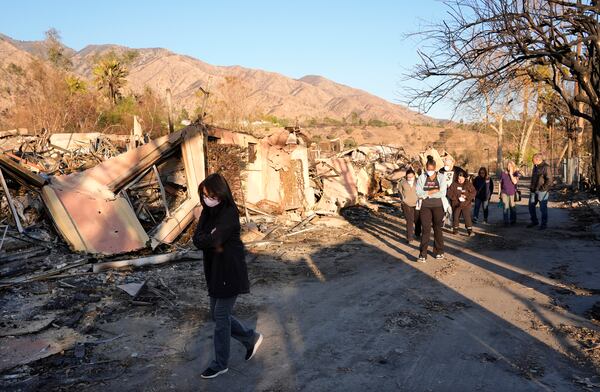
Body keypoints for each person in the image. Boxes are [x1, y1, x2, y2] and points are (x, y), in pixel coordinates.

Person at [193, 173, 263, 379]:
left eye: (210, 194)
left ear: (220, 193)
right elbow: (198, 240)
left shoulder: (229, 213)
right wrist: (208, 236)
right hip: (214, 271)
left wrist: (209, 237)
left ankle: (220, 363)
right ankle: (250, 338)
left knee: (221, 318)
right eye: (204, 195)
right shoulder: (207, 213)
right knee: (217, 314)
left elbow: (212, 241)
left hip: (229, 271)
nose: (207, 198)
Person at [416, 156, 449, 263]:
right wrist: (431, 192)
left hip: (438, 206)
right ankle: (422, 254)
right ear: (425, 168)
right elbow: (418, 193)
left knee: (437, 229)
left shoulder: (442, 177)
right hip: (425, 206)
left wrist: (426, 194)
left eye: (431, 169)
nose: (429, 171)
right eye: (428, 169)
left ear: (435, 168)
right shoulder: (421, 177)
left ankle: (439, 251)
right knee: (425, 229)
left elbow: (442, 192)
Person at [448, 170, 476, 236]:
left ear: (464, 178)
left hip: (466, 204)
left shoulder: (468, 184)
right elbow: (449, 193)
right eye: (458, 179)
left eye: (461, 179)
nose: (459, 180)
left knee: (467, 217)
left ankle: (470, 230)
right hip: (456, 204)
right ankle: (455, 230)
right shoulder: (454, 184)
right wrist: (457, 197)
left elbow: (474, 192)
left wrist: (466, 196)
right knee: (456, 216)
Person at [528, 153, 551, 229]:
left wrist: (543, 188)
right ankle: (534, 221)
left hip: (542, 191)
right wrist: (531, 188)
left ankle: (544, 224)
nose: (532, 161)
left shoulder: (546, 167)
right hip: (533, 190)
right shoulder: (535, 167)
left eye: (533, 159)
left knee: (543, 208)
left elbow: (549, 180)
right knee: (531, 206)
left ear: (537, 159)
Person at [399, 169, 421, 243]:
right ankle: (409, 238)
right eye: (408, 177)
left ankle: (418, 233)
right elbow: (399, 191)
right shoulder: (402, 182)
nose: (410, 178)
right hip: (406, 204)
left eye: (411, 177)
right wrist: (402, 199)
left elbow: (422, 191)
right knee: (409, 221)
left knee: (417, 220)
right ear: (406, 176)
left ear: (414, 176)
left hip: (417, 204)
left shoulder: (418, 182)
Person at [500, 160, 520, 225]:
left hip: (512, 192)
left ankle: (513, 220)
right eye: (508, 165)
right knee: (505, 207)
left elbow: (515, 182)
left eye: (510, 165)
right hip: (504, 192)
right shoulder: (503, 173)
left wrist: (511, 174)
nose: (509, 167)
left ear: (513, 166)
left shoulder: (515, 173)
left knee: (512, 207)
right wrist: (499, 193)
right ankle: (506, 221)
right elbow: (501, 183)